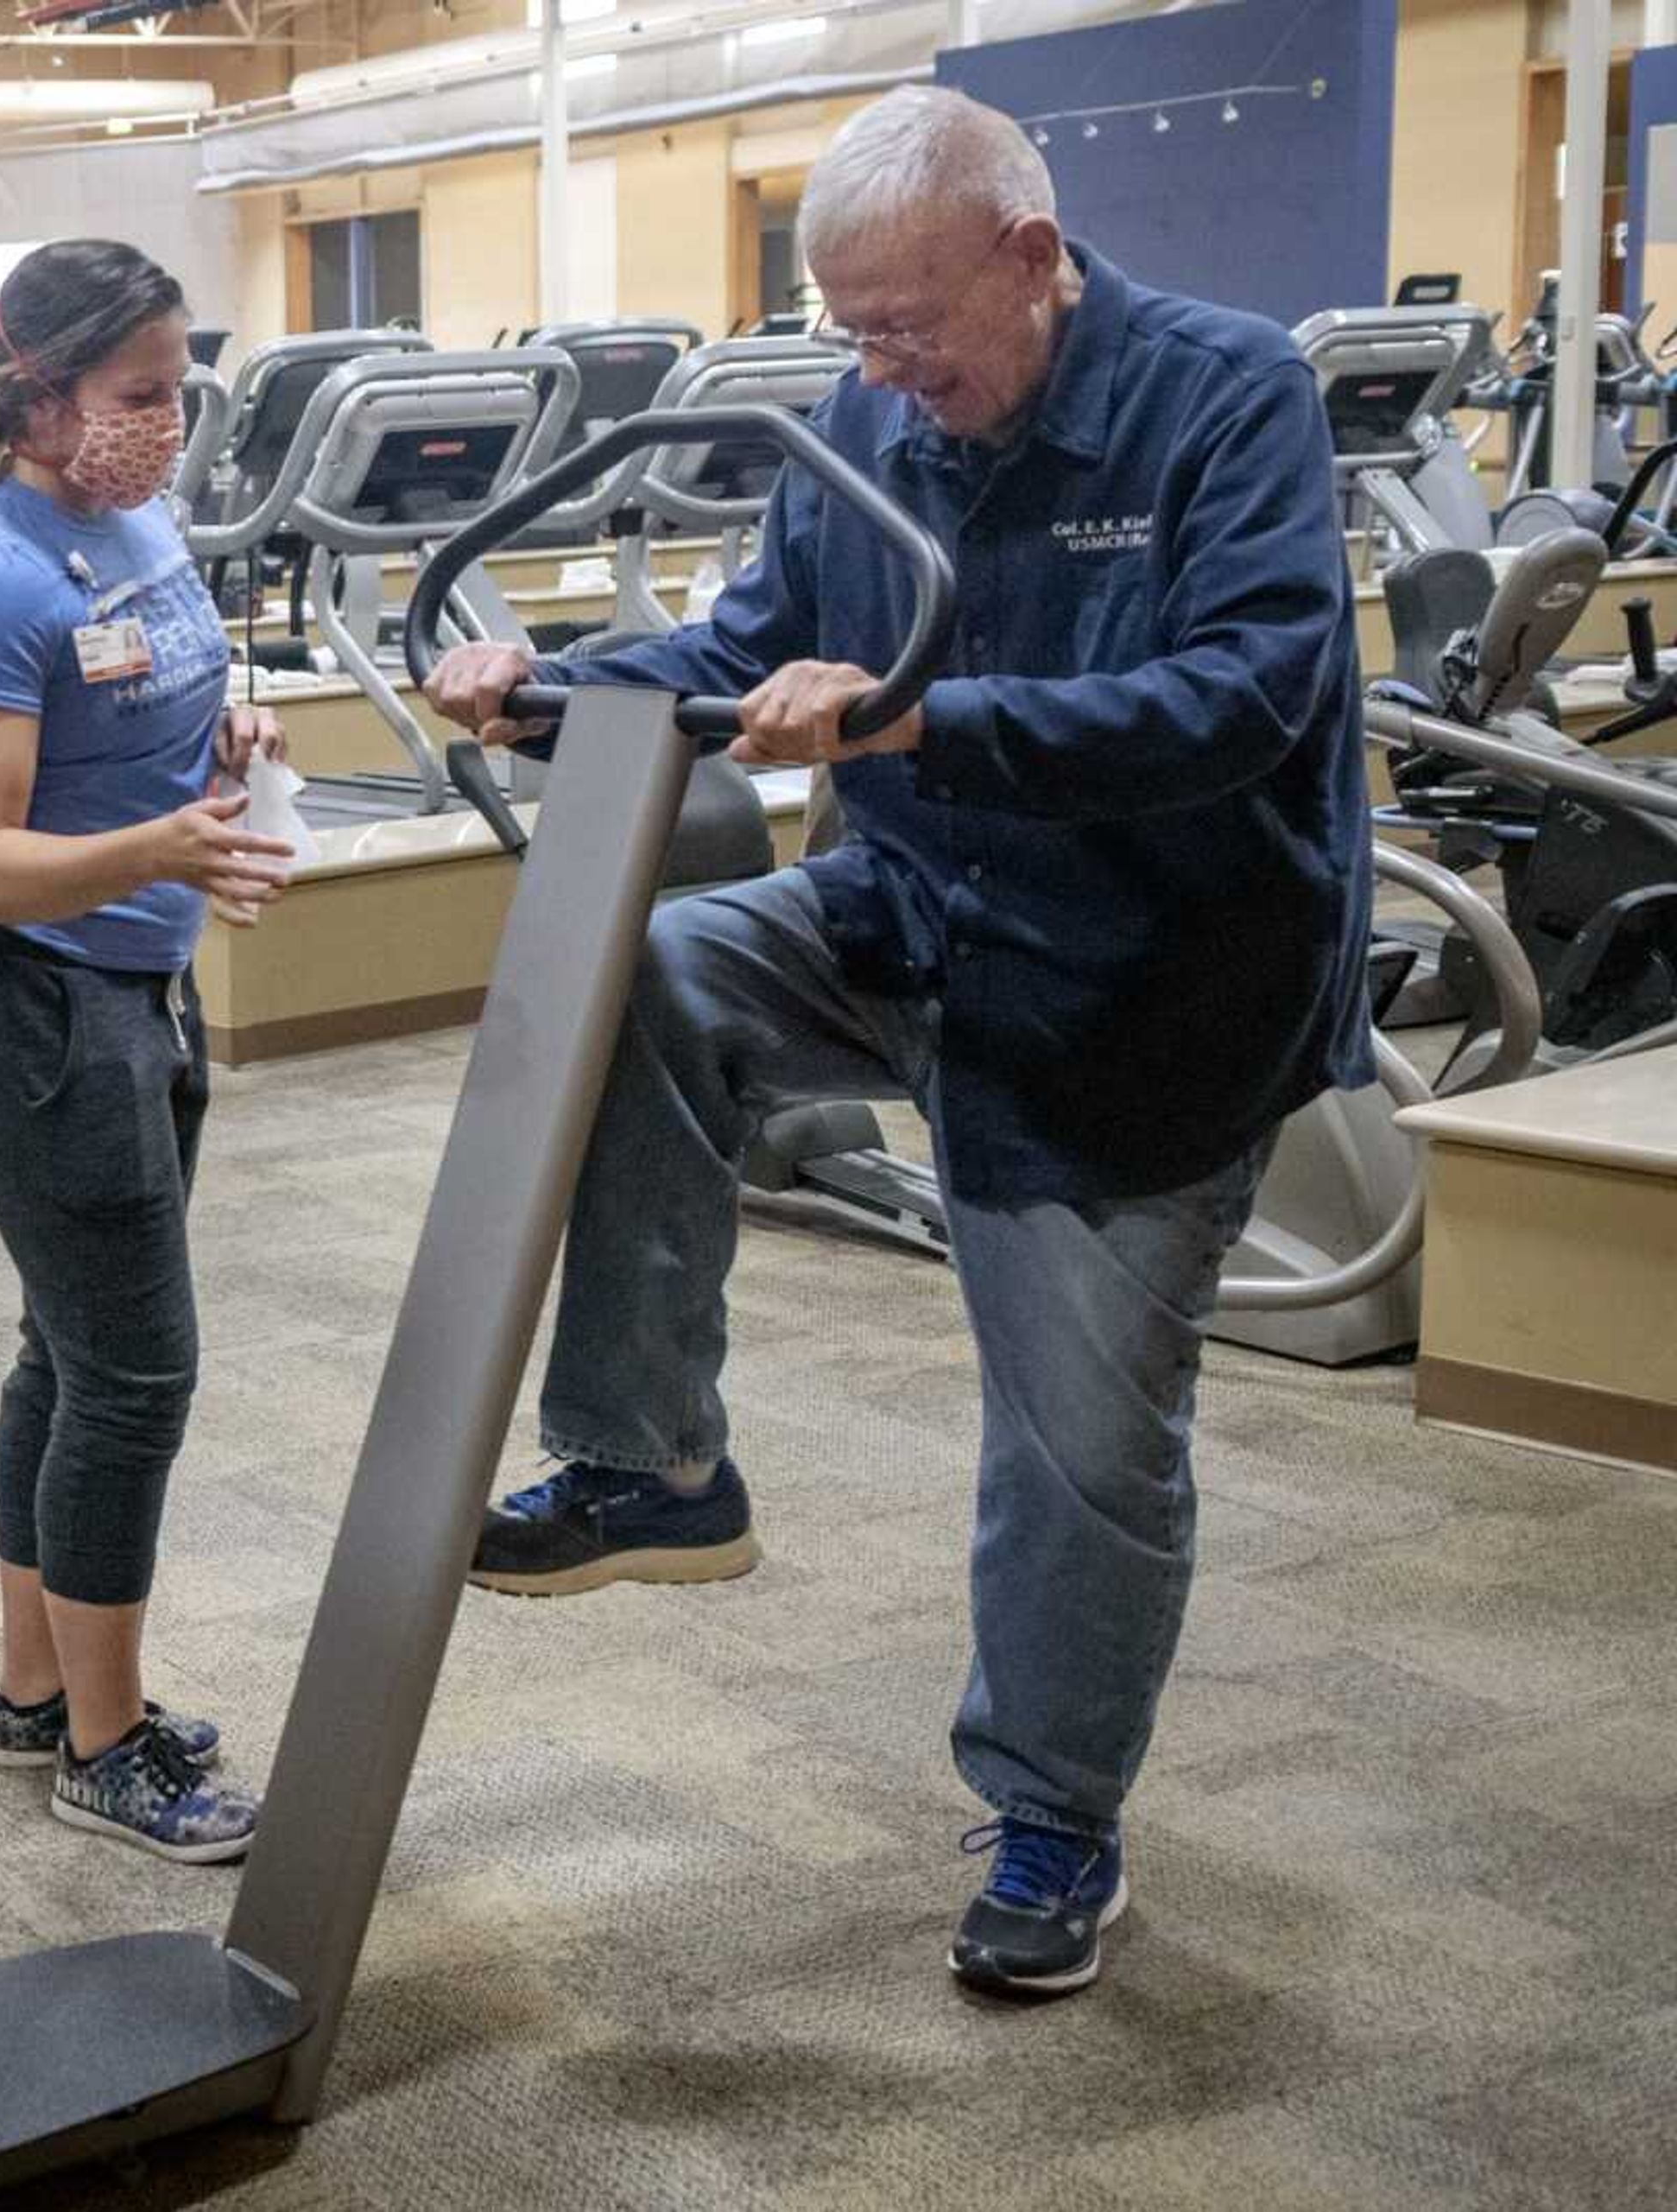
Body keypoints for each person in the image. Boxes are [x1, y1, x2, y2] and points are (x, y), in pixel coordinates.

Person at [427, 86, 1371, 1996]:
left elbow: (1248, 695)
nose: (883, 366)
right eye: (851, 328)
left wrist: (925, 721)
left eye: (913, 322)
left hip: (1146, 988)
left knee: (1083, 1448)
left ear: (1033, 256)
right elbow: (748, 643)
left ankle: (1052, 1815)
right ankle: (653, 1457)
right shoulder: (863, 421)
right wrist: (547, 697)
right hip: (914, 918)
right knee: (652, 968)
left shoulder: (1224, 392)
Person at [0, 239, 294, 1864]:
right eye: (140, 394)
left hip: (130, 991)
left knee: (68, 1353)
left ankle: (35, 1692)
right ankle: (109, 1751)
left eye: (180, 385)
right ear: (41, 395)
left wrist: (228, 736)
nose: (169, 419)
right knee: (136, 1375)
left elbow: (145, 712)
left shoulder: (131, 522)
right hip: (30, 1003)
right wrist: (161, 849)